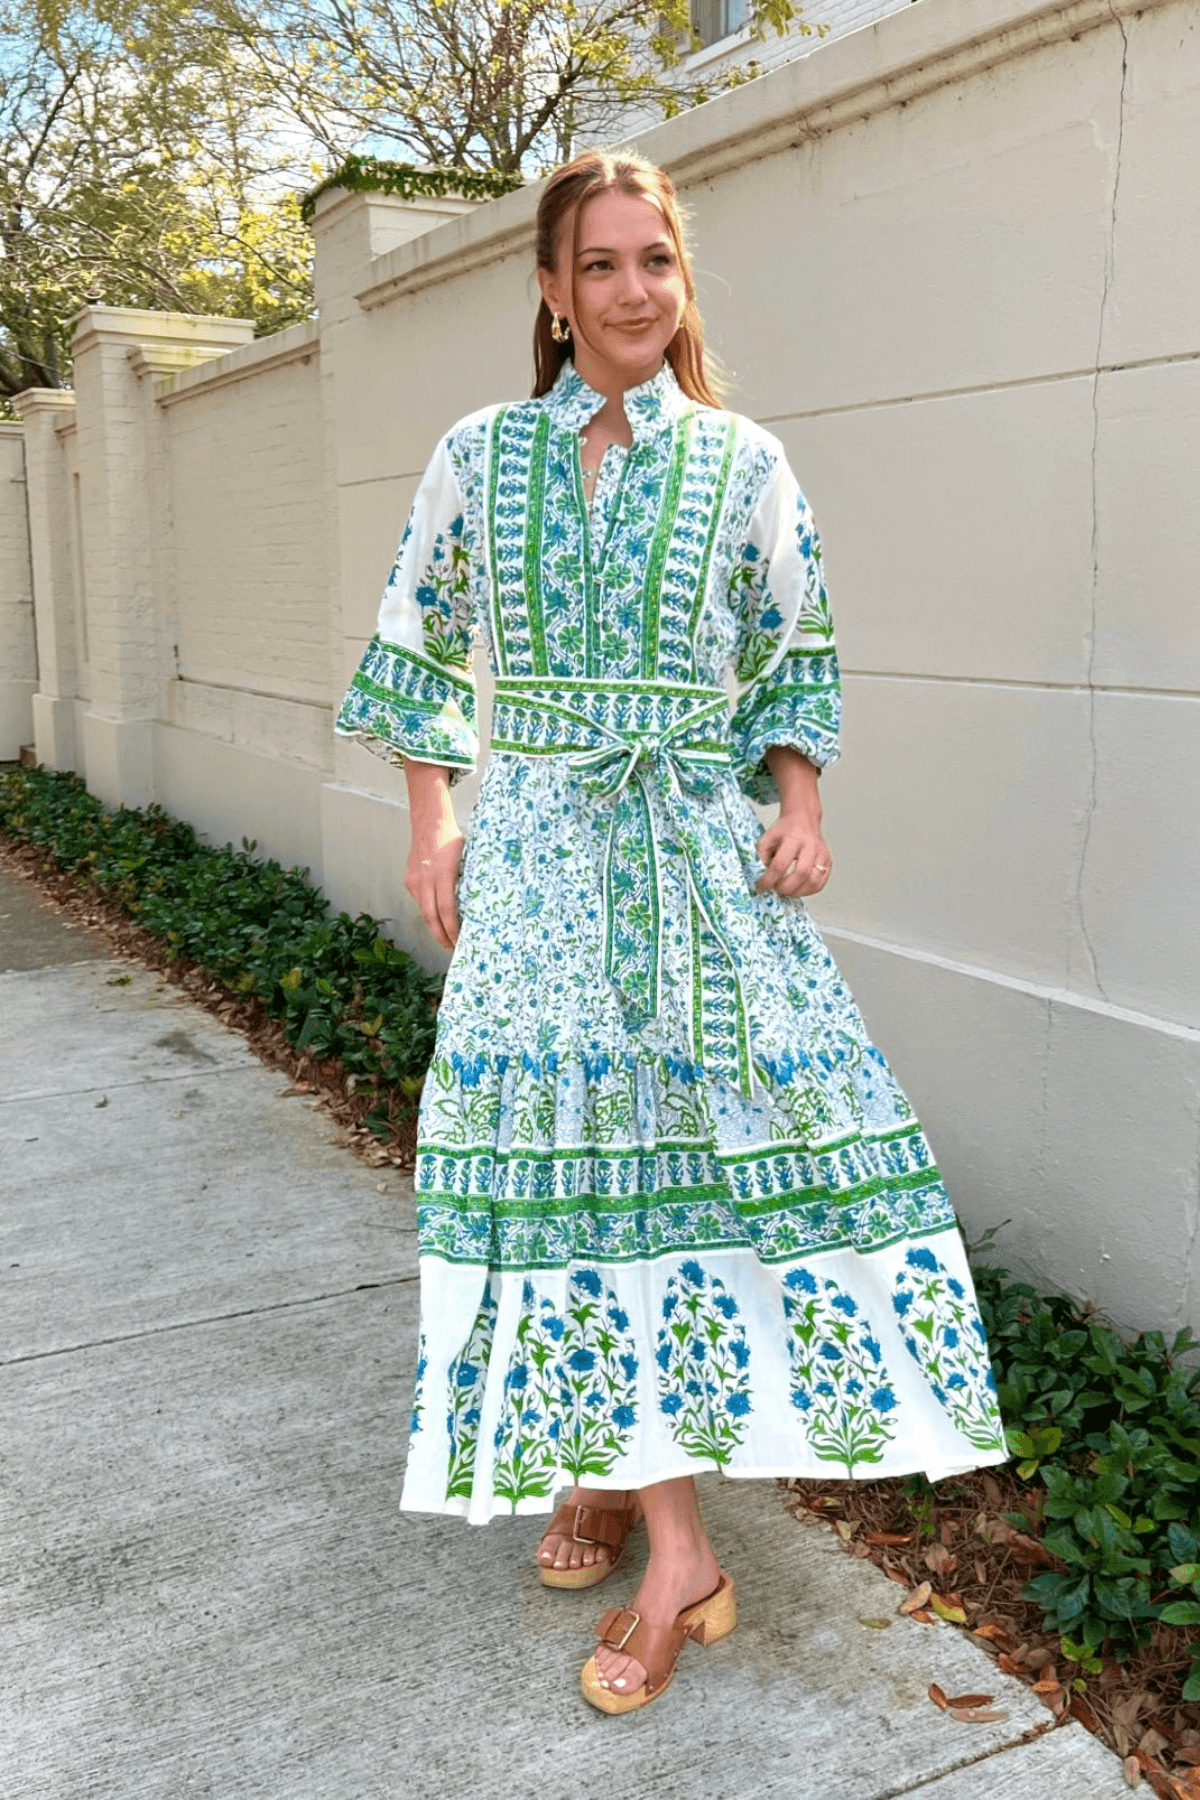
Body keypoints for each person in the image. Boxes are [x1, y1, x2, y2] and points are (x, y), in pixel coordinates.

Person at [336, 148, 1007, 1715]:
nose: (634, 289)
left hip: (694, 853)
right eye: (602, 263)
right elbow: (416, 636)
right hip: (535, 860)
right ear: (551, 290)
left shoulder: (743, 462)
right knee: (568, 1170)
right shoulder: (481, 452)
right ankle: (652, 1516)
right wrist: (433, 822)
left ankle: (646, 1516)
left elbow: (794, 647)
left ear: (679, 281)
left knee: (696, 1158)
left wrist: (802, 804)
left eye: (658, 260)